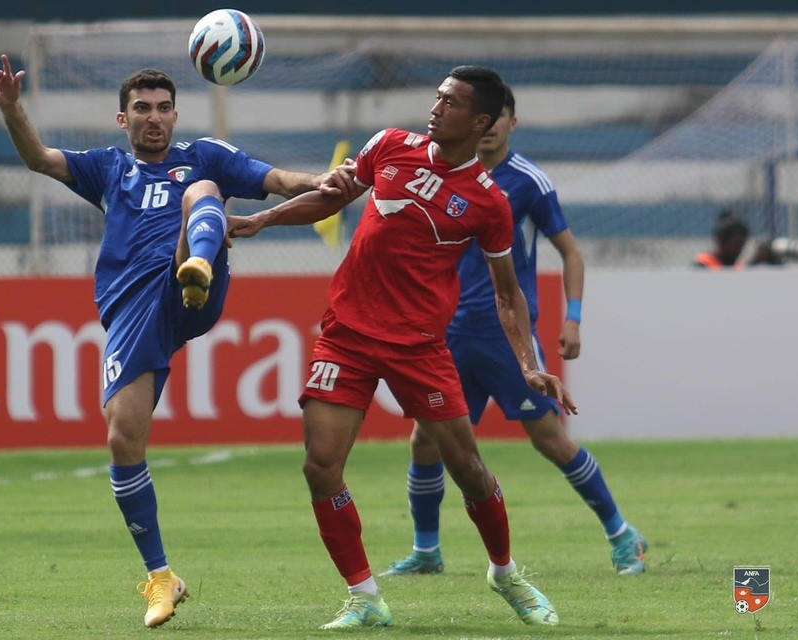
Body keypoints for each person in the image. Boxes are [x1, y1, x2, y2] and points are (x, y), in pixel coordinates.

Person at [0, 54, 354, 628]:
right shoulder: (107, 168)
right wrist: (12, 108)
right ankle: (162, 578)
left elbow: (274, 179)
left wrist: (319, 180)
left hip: (190, 279)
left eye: (162, 108)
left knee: (202, 189)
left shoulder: (202, 155)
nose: (154, 118)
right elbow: (39, 158)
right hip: (133, 310)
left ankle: (197, 268)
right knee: (121, 438)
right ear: (122, 118)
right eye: (142, 109)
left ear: (176, 114)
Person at [229, 66, 577, 630]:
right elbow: (330, 199)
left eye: (450, 102)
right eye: (436, 97)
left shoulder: (489, 203)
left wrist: (530, 366)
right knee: (321, 467)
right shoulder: (389, 144)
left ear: (480, 121)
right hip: (347, 332)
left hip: (419, 345)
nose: (435, 108)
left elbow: (507, 294)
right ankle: (365, 597)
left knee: (467, 468)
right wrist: (263, 219)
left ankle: (505, 572)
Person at [379, 85, 647, 581]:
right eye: (487, 116)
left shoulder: (527, 182)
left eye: (501, 117)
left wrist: (573, 317)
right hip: (451, 334)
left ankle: (622, 533)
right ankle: (426, 550)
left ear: (508, 124)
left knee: (549, 440)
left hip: (505, 337)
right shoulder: (442, 174)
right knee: (424, 441)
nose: (493, 126)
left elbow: (571, 251)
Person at [693, 210, 782, 268]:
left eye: (742, 244)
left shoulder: (736, 267)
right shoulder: (703, 265)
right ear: (721, 241)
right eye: (736, 244)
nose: (739, 249)